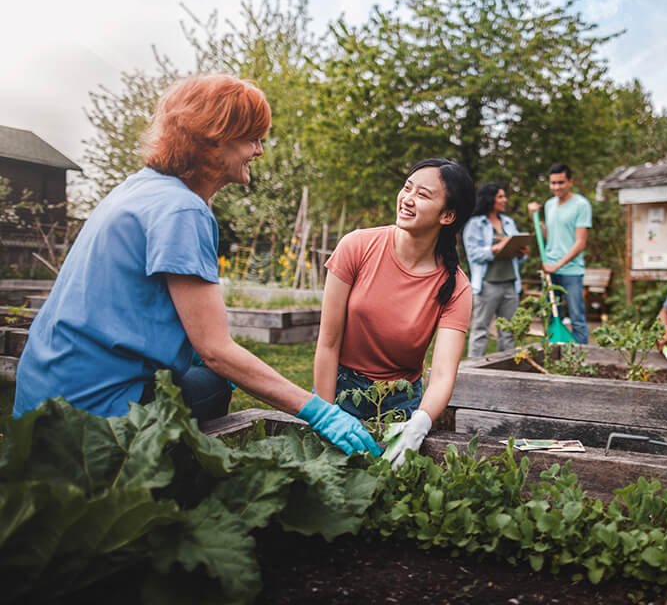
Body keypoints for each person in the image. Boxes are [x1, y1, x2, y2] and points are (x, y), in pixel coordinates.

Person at [14, 74, 380, 457]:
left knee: (205, 376)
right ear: (215, 138)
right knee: (216, 382)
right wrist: (319, 411)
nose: (259, 151)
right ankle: (159, 480)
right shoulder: (182, 210)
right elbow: (216, 350)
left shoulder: (138, 188)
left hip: (42, 399)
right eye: (252, 138)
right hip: (92, 417)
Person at [313, 158, 475, 468]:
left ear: (447, 215)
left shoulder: (456, 288)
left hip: (400, 404)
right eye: (407, 188)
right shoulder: (357, 246)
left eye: (423, 195)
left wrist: (420, 424)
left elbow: (442, 374)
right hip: (340, 388)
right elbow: (328, 342)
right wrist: (325, 412)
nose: (408, 199)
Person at [526, 163, 592, 344]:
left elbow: (580, 243)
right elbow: (549, 235)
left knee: (577, 318)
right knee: (551, 316)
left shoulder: (581, 205)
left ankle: (582, 359)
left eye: (561, 182)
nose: (556, 187)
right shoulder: (549, 204)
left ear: (570, 181)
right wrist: (535, 219)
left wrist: (558, 265)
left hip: (571, 270)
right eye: (553, 183)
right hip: (550, 270)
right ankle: (554, 356)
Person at [463, 182, 527, 357]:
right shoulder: (475, 224)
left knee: (509, 332)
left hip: (511, 285)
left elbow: (517, 254)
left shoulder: (508, 222)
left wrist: (521, 252)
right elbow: (474, 254)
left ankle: (506, 371)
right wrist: (496, 248)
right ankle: (474, 371)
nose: (504, 200)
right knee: (480, 330)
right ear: (490, 199)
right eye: (500, 196)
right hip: (487, 286)